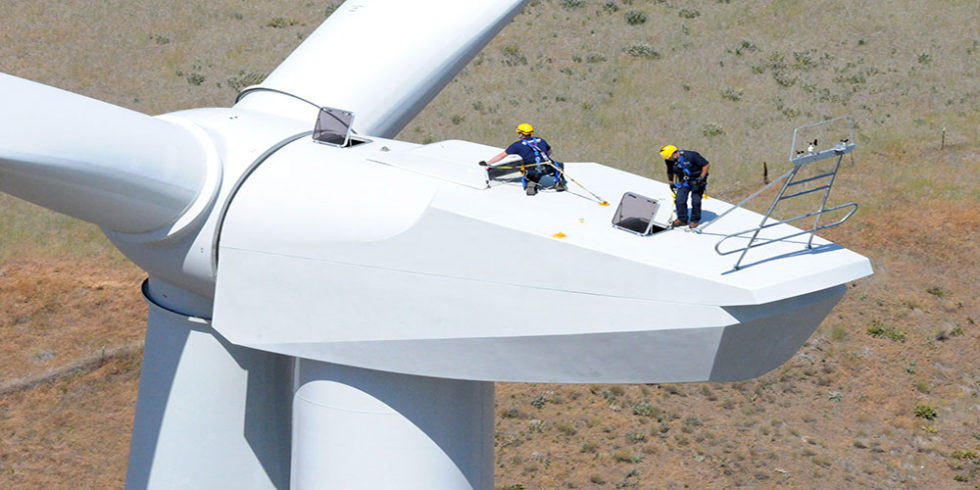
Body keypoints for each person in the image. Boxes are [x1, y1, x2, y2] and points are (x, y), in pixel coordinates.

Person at [483, 123, 565, 195]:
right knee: (559, 165)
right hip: (548, 168)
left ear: (521, 134)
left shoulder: (517, 145)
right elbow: (549, 151)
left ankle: (531, 182)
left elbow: (501, 156)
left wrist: (488, 163)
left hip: (531, 170)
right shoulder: (541, 140)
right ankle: (558, 182)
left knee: (531, 172)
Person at [660, 144, 710, 228]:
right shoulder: (669, 160)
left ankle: (694, 220)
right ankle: (682, 219)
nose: (669, 160)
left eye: (670, 157)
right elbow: (670, 171)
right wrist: (671, 182)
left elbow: (706, 165)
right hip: (684, 181)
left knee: (696, 201)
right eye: (668, 159)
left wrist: (701, 178)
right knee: (679, 200)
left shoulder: (691, 156)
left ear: (675, 153)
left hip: (697, 180)